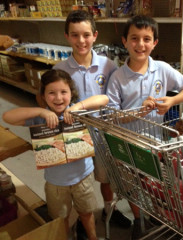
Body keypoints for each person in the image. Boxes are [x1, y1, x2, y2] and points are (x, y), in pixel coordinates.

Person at [106, 15, 183, 240]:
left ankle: (158, 213)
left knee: (156, 182)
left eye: (147, 39)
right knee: (132, 185)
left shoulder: (162, 69)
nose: (141, 44)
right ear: (124, 41)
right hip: (128, 143)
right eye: (134, 38)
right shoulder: (117, 77)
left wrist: (172, 101)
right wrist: (139, 111)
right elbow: (111, 116)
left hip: (156, 142)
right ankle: (138, 218)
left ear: (155, 42)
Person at [3, 69, 109, 240]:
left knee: (87, 212)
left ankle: (92, 237)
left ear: (71, 93)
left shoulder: (78, 110)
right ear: (43, 95)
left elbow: (104, 99)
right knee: (61, 217)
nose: (58, 98)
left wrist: (77, 107)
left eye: (63, 92)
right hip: (56, 182)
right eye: (51, 93)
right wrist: (41, 112)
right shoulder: (40, 118)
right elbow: (8, 116)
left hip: (83, 176)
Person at [53, 9, 131, 237]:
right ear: (67, 36)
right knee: (80, 181)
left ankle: (108, 209)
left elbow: (115, 97)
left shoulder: (108, 66)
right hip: (75, 136)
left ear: (95, 36)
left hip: (103, 132)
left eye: (86, 35)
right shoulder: (59, 69)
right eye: (75, 35)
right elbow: (47, 97)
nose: (81, 41)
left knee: (106, 177)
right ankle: (84, 220)